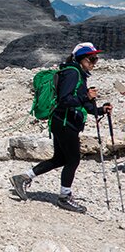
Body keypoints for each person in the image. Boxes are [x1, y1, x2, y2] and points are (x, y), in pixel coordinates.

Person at [10, 42, 114, 213]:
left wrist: (100, 110)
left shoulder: (78, 74)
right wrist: (87, 96)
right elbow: (65, 101)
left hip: (62, 122)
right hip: (65, 123)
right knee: (73, 160)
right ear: (81, 59)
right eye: (92, 59)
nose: (95, 62)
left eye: (96, 59)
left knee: (60, 159)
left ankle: (23, 178)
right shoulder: (72, 74)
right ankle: (64, 197)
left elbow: (81, 103)